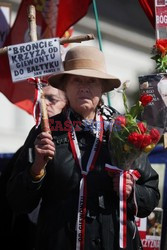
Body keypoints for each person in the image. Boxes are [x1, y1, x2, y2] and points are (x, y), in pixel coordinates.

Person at [6, 45, 160, 250]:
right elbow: (17, 202)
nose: (84, 86)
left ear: (102, 88)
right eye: (77, 79)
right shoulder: (44, 131)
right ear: (65, 86)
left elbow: (150, 196)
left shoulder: (124, 131)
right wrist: (36, 170)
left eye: (92, 80)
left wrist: (131, 191)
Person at [0, 85, 66, 250]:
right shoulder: (23, 151)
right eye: (41, 99)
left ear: (67, 105)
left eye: (52, 99)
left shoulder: (81, 148)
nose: (44, 104)